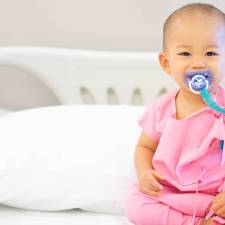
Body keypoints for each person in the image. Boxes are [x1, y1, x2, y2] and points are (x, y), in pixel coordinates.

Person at [124, 3, 225, 225]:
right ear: (166, 63)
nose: (198, 63)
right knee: (135, 204)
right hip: (171, 195)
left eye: (210, 53)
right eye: (185, 53)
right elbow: (145, 147)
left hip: (215, 199)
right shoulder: (161, 108)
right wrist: (144, 174)